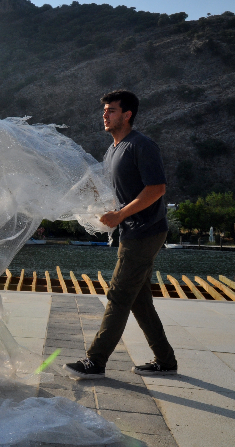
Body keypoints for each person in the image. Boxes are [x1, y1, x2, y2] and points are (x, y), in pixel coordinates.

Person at [64, 90, 177, 380]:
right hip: (130, 231)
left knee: (118, 294)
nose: (105, 114)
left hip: (145, 230)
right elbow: (116, 191)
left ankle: (95, 361)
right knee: (138, 299)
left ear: (127, 115)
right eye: (105, 110)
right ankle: (165, 360)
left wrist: (121, 215)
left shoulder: (141, 145)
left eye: (111, 110)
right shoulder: (113, 149)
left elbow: (157, 189)